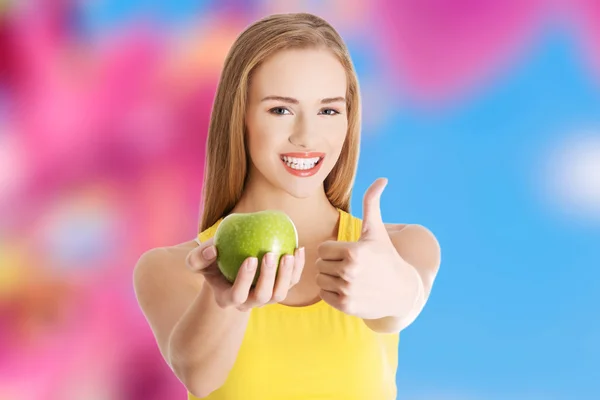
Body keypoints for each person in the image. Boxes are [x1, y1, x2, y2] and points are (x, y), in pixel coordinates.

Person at [133, 12, 441, 400]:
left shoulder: (402, 248)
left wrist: (396, 289)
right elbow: (199, 376)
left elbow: (403, 305)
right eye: (281, 110)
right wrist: (227, 303)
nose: (306, 135)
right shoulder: (171, 269)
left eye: (328, 110)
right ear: (239, 116)